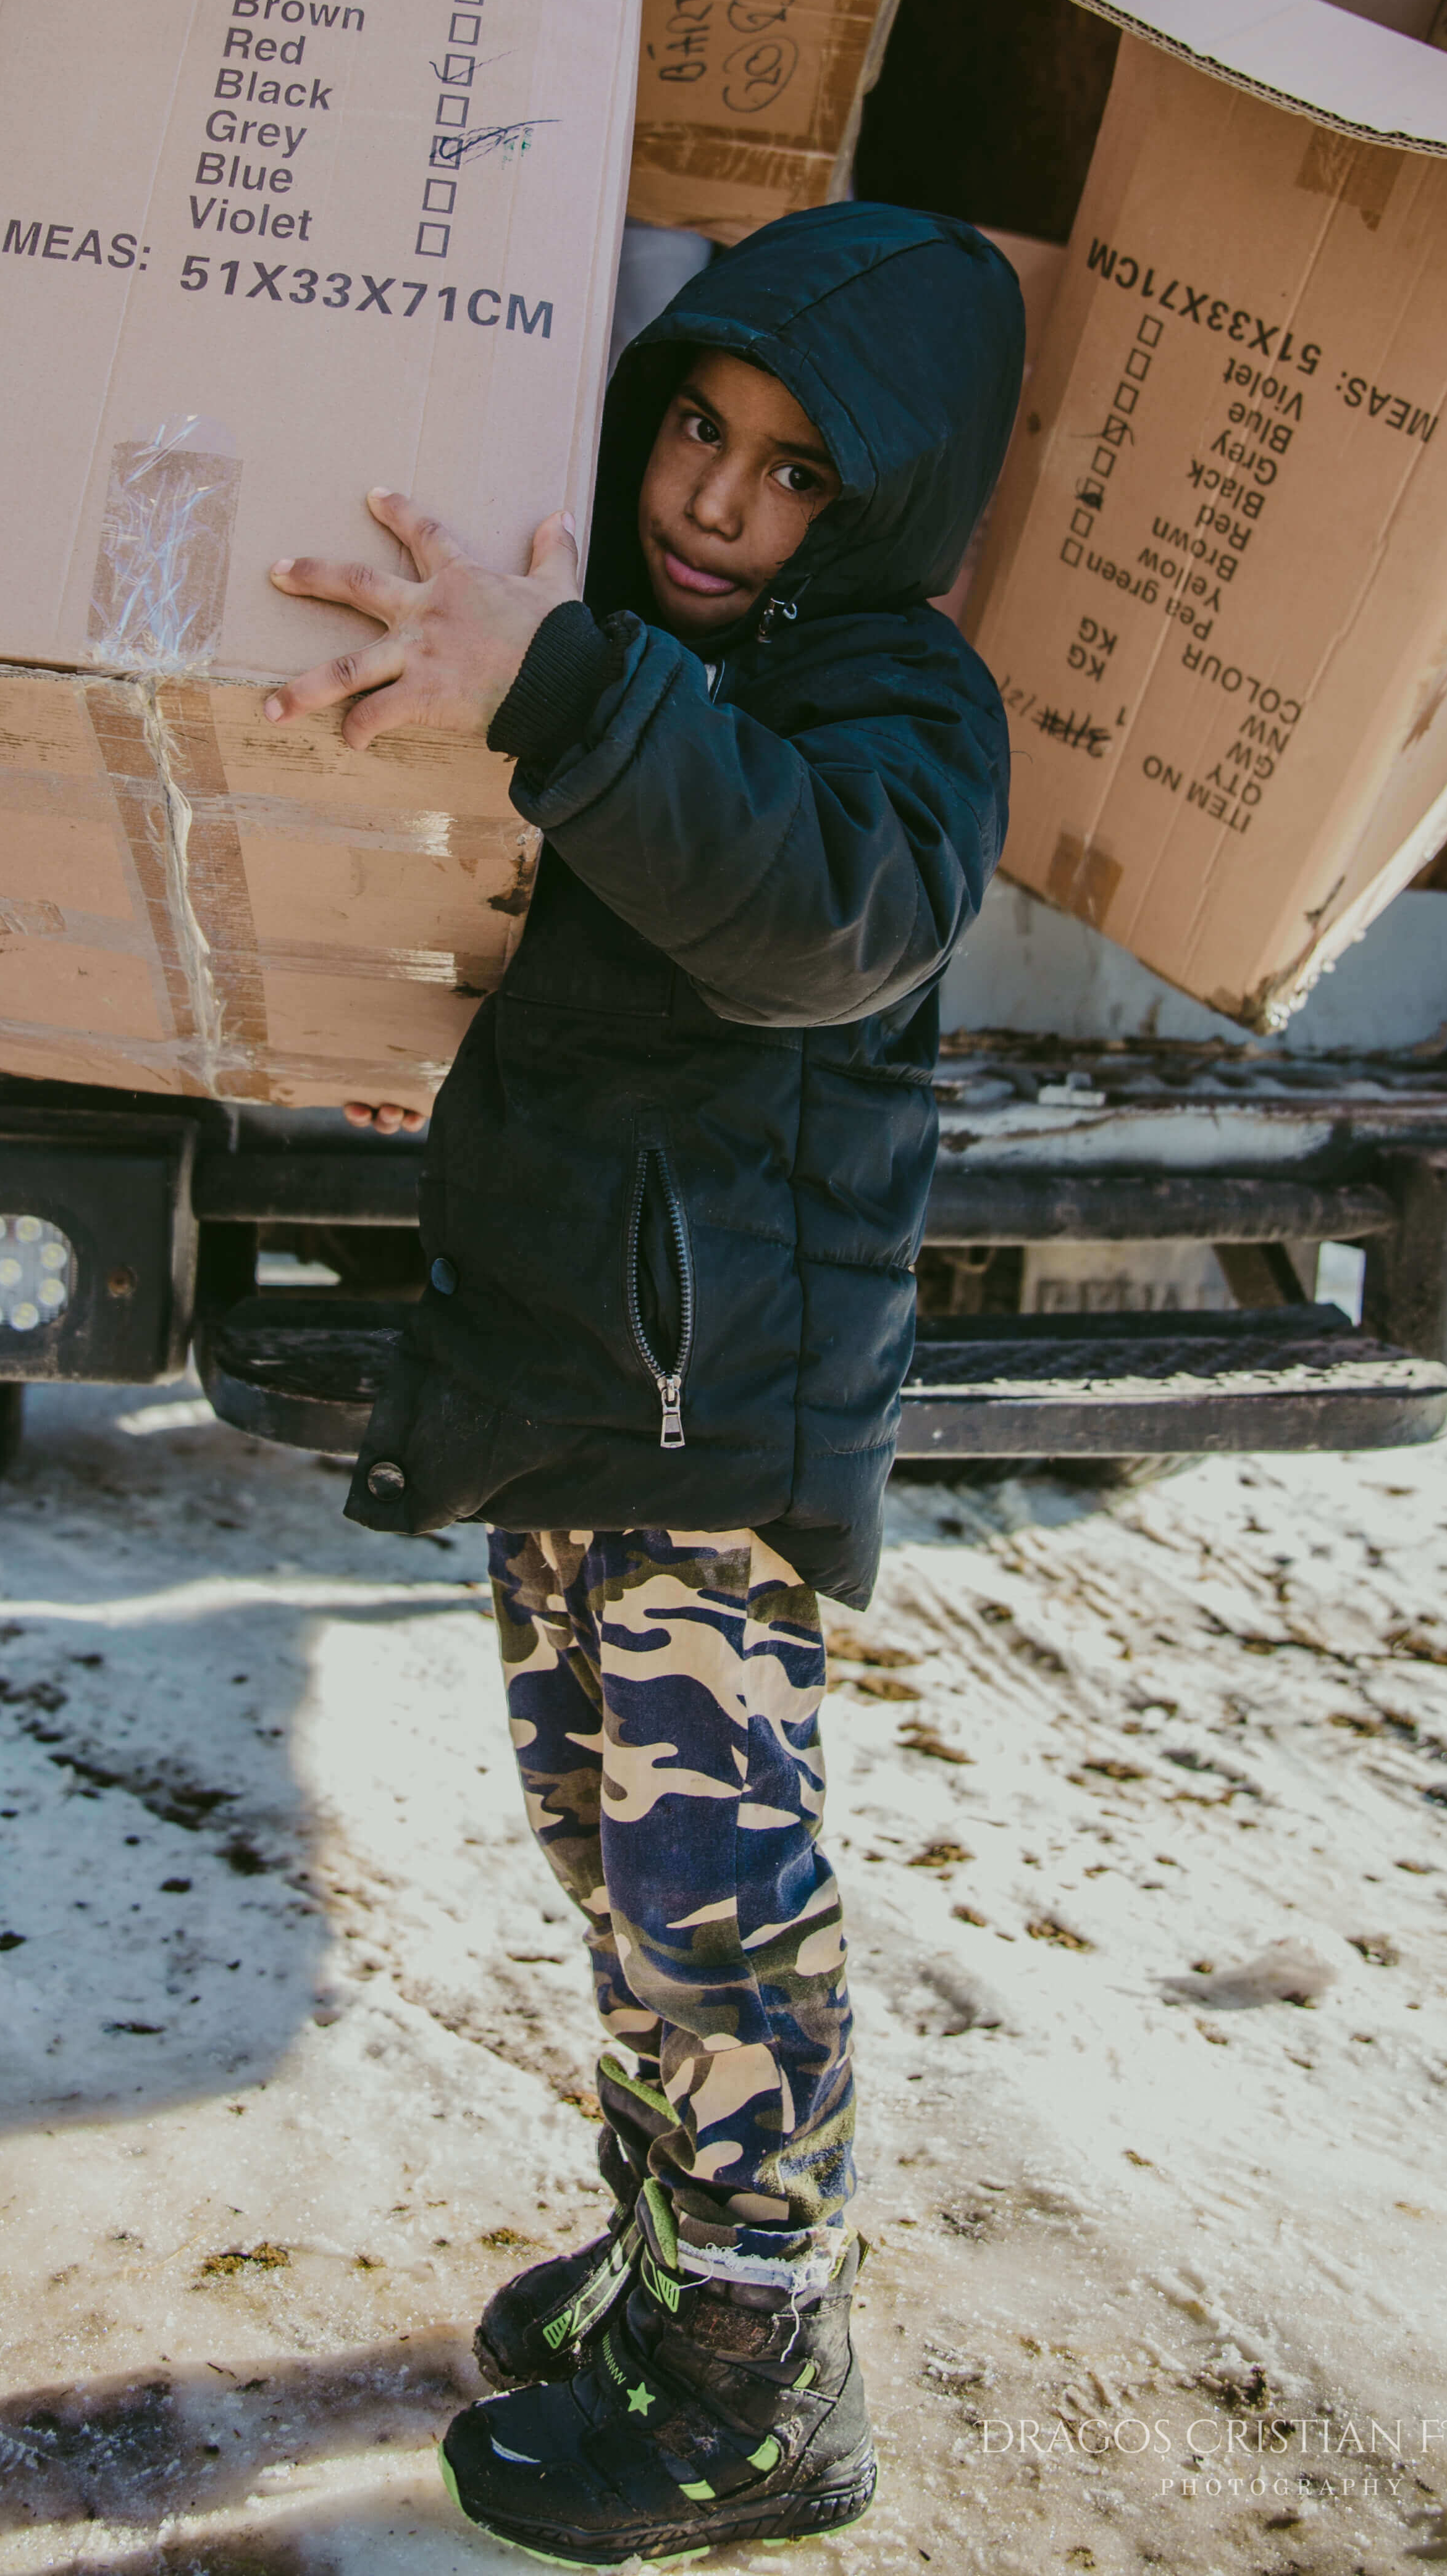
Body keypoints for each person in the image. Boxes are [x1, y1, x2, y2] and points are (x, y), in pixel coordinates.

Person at [262, 203, 1022, 2564]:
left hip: (722, 1402)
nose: (714, 498)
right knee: (610, 1866)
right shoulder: (651, 671)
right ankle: (683, 2243)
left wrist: (576, 689)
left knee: (721, 1901)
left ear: (881, 513)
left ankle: (756, 2379)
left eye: (796, 473)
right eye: (697, 427)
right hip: (577, 1376)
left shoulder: (894, 711)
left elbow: (819, 917)